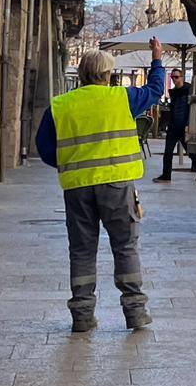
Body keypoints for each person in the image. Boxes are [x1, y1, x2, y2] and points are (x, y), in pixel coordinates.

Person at [36, 38, 166, 333]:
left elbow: (43, 147)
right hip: (118, 186)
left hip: (78, 187)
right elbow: (156, 90)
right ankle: (135, 312)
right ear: (108, 75)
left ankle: (82, 315)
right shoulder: (123, 98)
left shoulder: (61, 105)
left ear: (81, 74)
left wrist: (69, 163)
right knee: (125, 246)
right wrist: (156, 58)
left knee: (81, 250)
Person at [154, 66, 196, 183]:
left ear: (182, 77)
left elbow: (191, 109)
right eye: (172, 77)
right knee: (168, 152)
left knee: (189, 151)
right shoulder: (174, 92)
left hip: (183, 126)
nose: (174, 79)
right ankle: (166, 175)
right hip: (173, 126)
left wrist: (188, 124)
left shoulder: (188, 91)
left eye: (176, 77)